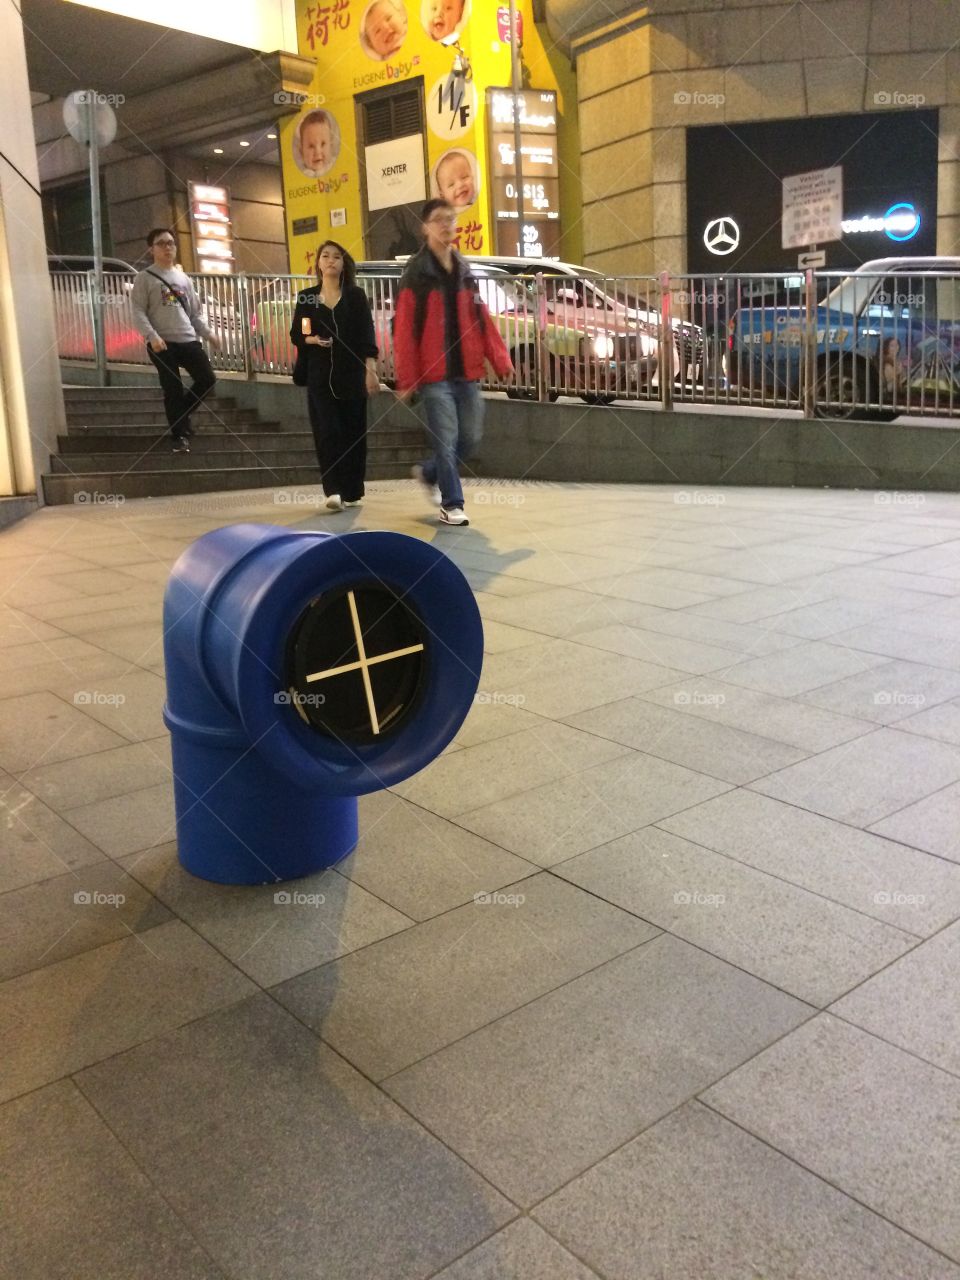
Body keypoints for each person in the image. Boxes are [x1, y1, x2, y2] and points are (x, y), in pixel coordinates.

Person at [393, 198, 513, 527]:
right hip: (434, 375)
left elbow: (481, 318)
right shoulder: (416, 273)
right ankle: (452, 503)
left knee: (470, 437)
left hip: (467, 371)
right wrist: (407, 379)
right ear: (425, 227)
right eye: (439, 220)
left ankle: (429, 473)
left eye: (451, 219)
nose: (447, 225)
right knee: (445, 439)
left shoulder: (464, 270)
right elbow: (403, 329)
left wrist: (500, 358)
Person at [290, 240, 379, 511]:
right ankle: (333, 490)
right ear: (318, 263)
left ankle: (351, 489)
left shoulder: (355, 296)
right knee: (327, 431)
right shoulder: (307, 297)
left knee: (352, 432)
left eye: (336, 257)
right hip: (319, 375)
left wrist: (371, 370)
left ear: (343, 264)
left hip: (351, 375)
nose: (330, 260)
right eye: (325, 256)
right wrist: (312, 339)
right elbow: (298, 334)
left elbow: (367, 335)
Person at [130, 228, 220, 454]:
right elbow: (138, 311)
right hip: (162, 343)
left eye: (171, 243)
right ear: (151, 249)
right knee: (173, 388)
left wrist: (208, 333)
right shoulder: (145, 278)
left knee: (207, 379)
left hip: (188, 338)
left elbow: (194, 313)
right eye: (162, 243)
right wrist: (153, 337)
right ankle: (179, 435)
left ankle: (181, 416)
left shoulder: (184, 279)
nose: (168, 247)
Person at [296, 109, 339, 177]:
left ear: (331, 146)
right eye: (311, 146)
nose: (318, 152)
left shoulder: (336, 165)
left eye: (323, 144)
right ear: (301, 152)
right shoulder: (302, 174)